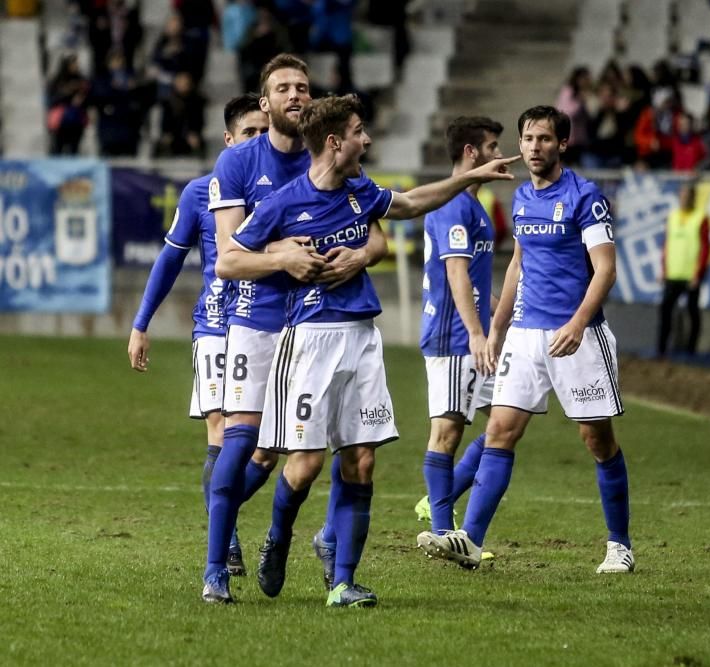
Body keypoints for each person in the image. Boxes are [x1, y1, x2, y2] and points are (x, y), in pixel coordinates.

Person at [216, 94, 519, 607]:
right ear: (335, 142)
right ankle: (279, 535)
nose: (368, 139)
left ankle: (342, 583)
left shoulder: (361, 191)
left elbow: (411, 203)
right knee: (306, 464)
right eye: (359, 131)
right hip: (309, 344)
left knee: (361, 461)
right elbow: (228, 262)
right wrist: (284, 260)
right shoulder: (283, 203)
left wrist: (470, 178)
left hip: (362, 339)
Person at [417, 106, 634, 574]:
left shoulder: (585, 197)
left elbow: (606, 268)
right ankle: (470, 542)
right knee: (499, 431)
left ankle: (620, 544)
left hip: (578, 337)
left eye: (544, 139)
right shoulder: (519, 198)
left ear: (562, 145)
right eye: (528, 139)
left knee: (597, 439)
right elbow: (517, 263)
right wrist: (497, 328)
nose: (534, 147)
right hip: (526, 335)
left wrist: (577, 323)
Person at [127, 93, 270, 578]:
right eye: (248, 133)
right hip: (216, 324)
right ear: (228, 140)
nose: (257, 140)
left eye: (262, 132)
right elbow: (170, 260)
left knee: (267, 450)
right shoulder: (200, 193)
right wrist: (141, 323)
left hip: (269, 324)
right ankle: (225, 543)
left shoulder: (282, 186)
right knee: (221, 429)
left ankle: (221, 512)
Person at [202, 53, 318, 603]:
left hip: (320, 323)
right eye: (283, 88)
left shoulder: (330, 156)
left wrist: (356, 256)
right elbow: (227, 259)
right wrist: (282, 258)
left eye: (302, 86)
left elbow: (377, 233)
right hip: (256, 319)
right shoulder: (239, 164)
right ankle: (215, 567)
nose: (295, 95)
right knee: (241, 440)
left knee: (301, 456)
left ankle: (278, 536)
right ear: (265, 101)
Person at [413, 117, 503, 547]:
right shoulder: (453, 205)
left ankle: (439, 501)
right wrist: (475, 332)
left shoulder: (472, 204)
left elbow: (477, 277)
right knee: (447, 431)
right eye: (492, 147)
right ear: (471, 153)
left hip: (474, 334)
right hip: (453, 336)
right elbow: (455, 273)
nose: (498, 154)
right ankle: (442, 529)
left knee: (506, 419)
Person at [656, 181, 710, 357]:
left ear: (693, 198)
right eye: (682, 195)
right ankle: (661, 349)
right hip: (673, 273)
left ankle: (691, 350)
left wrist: (698, 273)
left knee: (692, 312)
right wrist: (663, 270)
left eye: (687, 196)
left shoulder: (701, 218)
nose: (684, 199)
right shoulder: (672, 217)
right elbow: (666, 245)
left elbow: (705, 248)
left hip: (690, 274)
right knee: (665, 310)